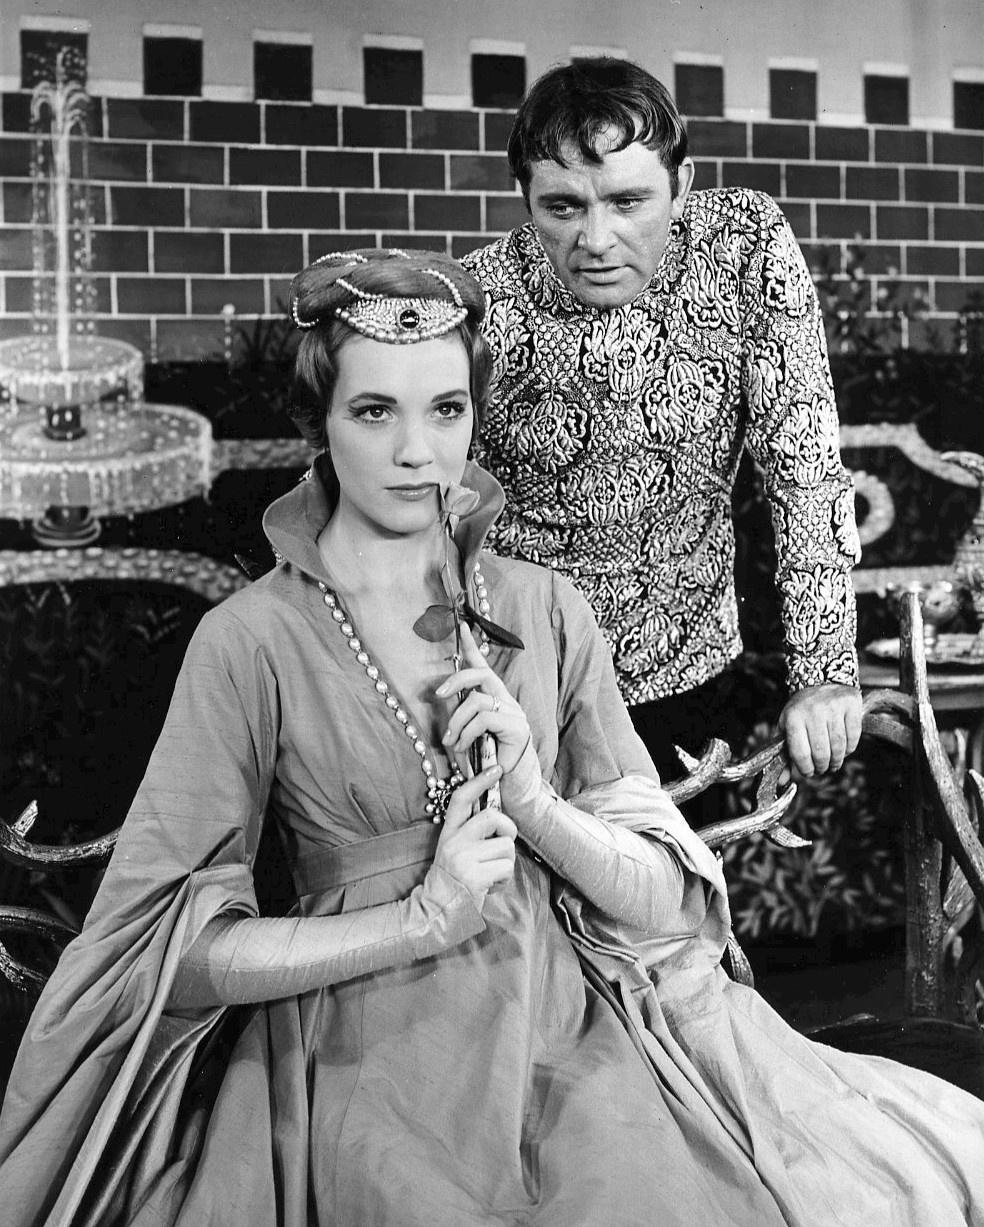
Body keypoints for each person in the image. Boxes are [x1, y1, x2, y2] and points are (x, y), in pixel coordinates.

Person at [1, 249, 982, 1227]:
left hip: (580, 1026)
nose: (416, 452)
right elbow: (177, 954)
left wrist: (535, 805)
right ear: (320, 423)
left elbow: (666, 905)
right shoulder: (252, 639)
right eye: (374, 410)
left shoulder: (547, 610)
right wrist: (415, 921)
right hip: (363, 1047)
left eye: (446, 409)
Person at [462, 57, 863, 785]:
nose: (596, 239)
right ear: (523, 197)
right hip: (521, 689)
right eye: (561, 207)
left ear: (681, 186)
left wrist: (825, 668)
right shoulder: (481, 296)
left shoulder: (742, 248)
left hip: (691, 678)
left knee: (684, 893)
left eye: (627, 201)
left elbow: (802, 461)